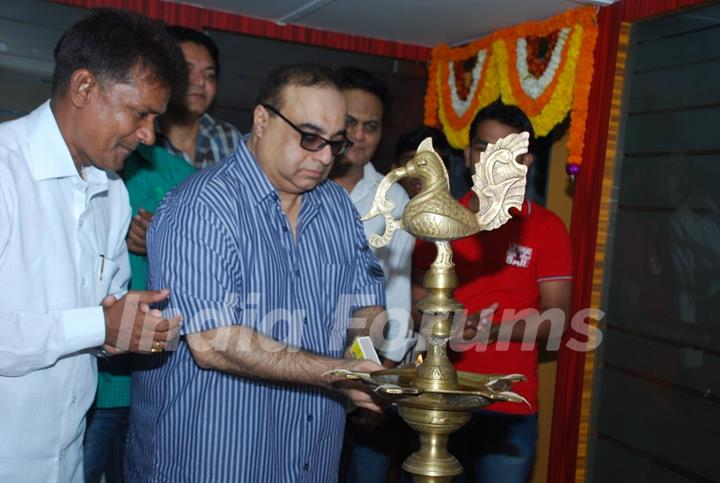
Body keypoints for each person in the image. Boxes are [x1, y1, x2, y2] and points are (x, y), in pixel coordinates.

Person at [125, 64, 386, 482]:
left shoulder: (337, 208)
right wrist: (338, 374)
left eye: (335, 144)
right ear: (262, 120)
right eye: (309, 137)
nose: (323, 157)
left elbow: (365, 306)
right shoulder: (200, 207)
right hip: (210, 460)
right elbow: (213, 342)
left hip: (310, 459)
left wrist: (365, 366)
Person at [0, 8, 185, 483]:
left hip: (65, 459)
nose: (148, 135)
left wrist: (125, 332)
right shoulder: (5, 171)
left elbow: (94, 325)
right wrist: (98, 323)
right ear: (84, 88)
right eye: (140, 113)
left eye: (155, 119)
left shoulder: (113, 193)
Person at [413, 101, 572, 483]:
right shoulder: (437, 220)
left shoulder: (547, 229)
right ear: (468, 154)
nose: (491, 160)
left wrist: (492, 329)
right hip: (439, 397)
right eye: (484, 147)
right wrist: (443, 322)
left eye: (507, 150)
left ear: (525, 161)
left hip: (508, 404)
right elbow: (418, 305)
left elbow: (557, 322)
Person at [328, 67, 415, 483]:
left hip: (365, 368)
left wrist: (383, 383)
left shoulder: (393, 198)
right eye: (349, 123)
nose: (359, 136)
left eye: (371, 126)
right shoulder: (299, 184)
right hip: (296, 368)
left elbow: (397, 293)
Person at [156, 25, 242, 169]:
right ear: (161, 72)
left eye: (209, 75)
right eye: (187, 70)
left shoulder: (229, 138)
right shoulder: (140, 137)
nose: (201, 82)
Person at [392, 125, 454, 199]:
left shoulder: (459, 210)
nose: (420, 173)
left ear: (446, 171)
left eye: (430, 163)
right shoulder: (381, 208)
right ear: (395, 169)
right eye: (410, 162)